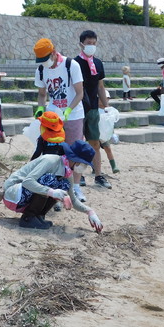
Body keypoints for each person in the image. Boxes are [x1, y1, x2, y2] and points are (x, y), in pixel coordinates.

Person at [0, 140, 103, 232]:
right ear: (76, 160)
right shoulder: (51, 160)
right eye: (84, 164)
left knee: (63, 184)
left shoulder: (67, 173)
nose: (84, 167)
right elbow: (28, 181)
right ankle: (29, 217)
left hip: (24, 197)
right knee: (50, 180)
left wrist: (90, 212)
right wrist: (52, 192)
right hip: (13, 194)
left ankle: (38, 215)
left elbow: (73, 200)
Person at [32, 38, 87, 202]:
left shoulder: (71, 65)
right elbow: (42, 95)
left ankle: (75, 187)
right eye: (41, 61)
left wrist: (69, 110)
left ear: (54, 53)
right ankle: (56, 189)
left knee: (75, 153)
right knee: (54, 154)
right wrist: (41, 108)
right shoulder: (41, 70)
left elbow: (79, 93)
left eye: (46, 59)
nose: (44, 63)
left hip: (74, 115)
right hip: (53, 118)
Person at [74, 30, 111, 190]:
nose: (92, 46)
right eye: (89, 43)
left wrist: (106, 105)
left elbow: (100, 86)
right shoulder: (74, 63)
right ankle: (79, 175)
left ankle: (98, 175)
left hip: (94, 108)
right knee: (78, 142)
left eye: (94, 43)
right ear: (81, 44)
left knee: (95, 142)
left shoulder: (98, 63)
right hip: (78, 108)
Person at [99, 91, 120, 173]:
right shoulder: (95, 110)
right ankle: (95, 168)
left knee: (108, 149)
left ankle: (114, 166)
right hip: (96, 133)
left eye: (106, 98)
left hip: (105, 134)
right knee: (94, 150)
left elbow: (111, 124)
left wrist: (112, 133)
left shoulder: (110, 110)